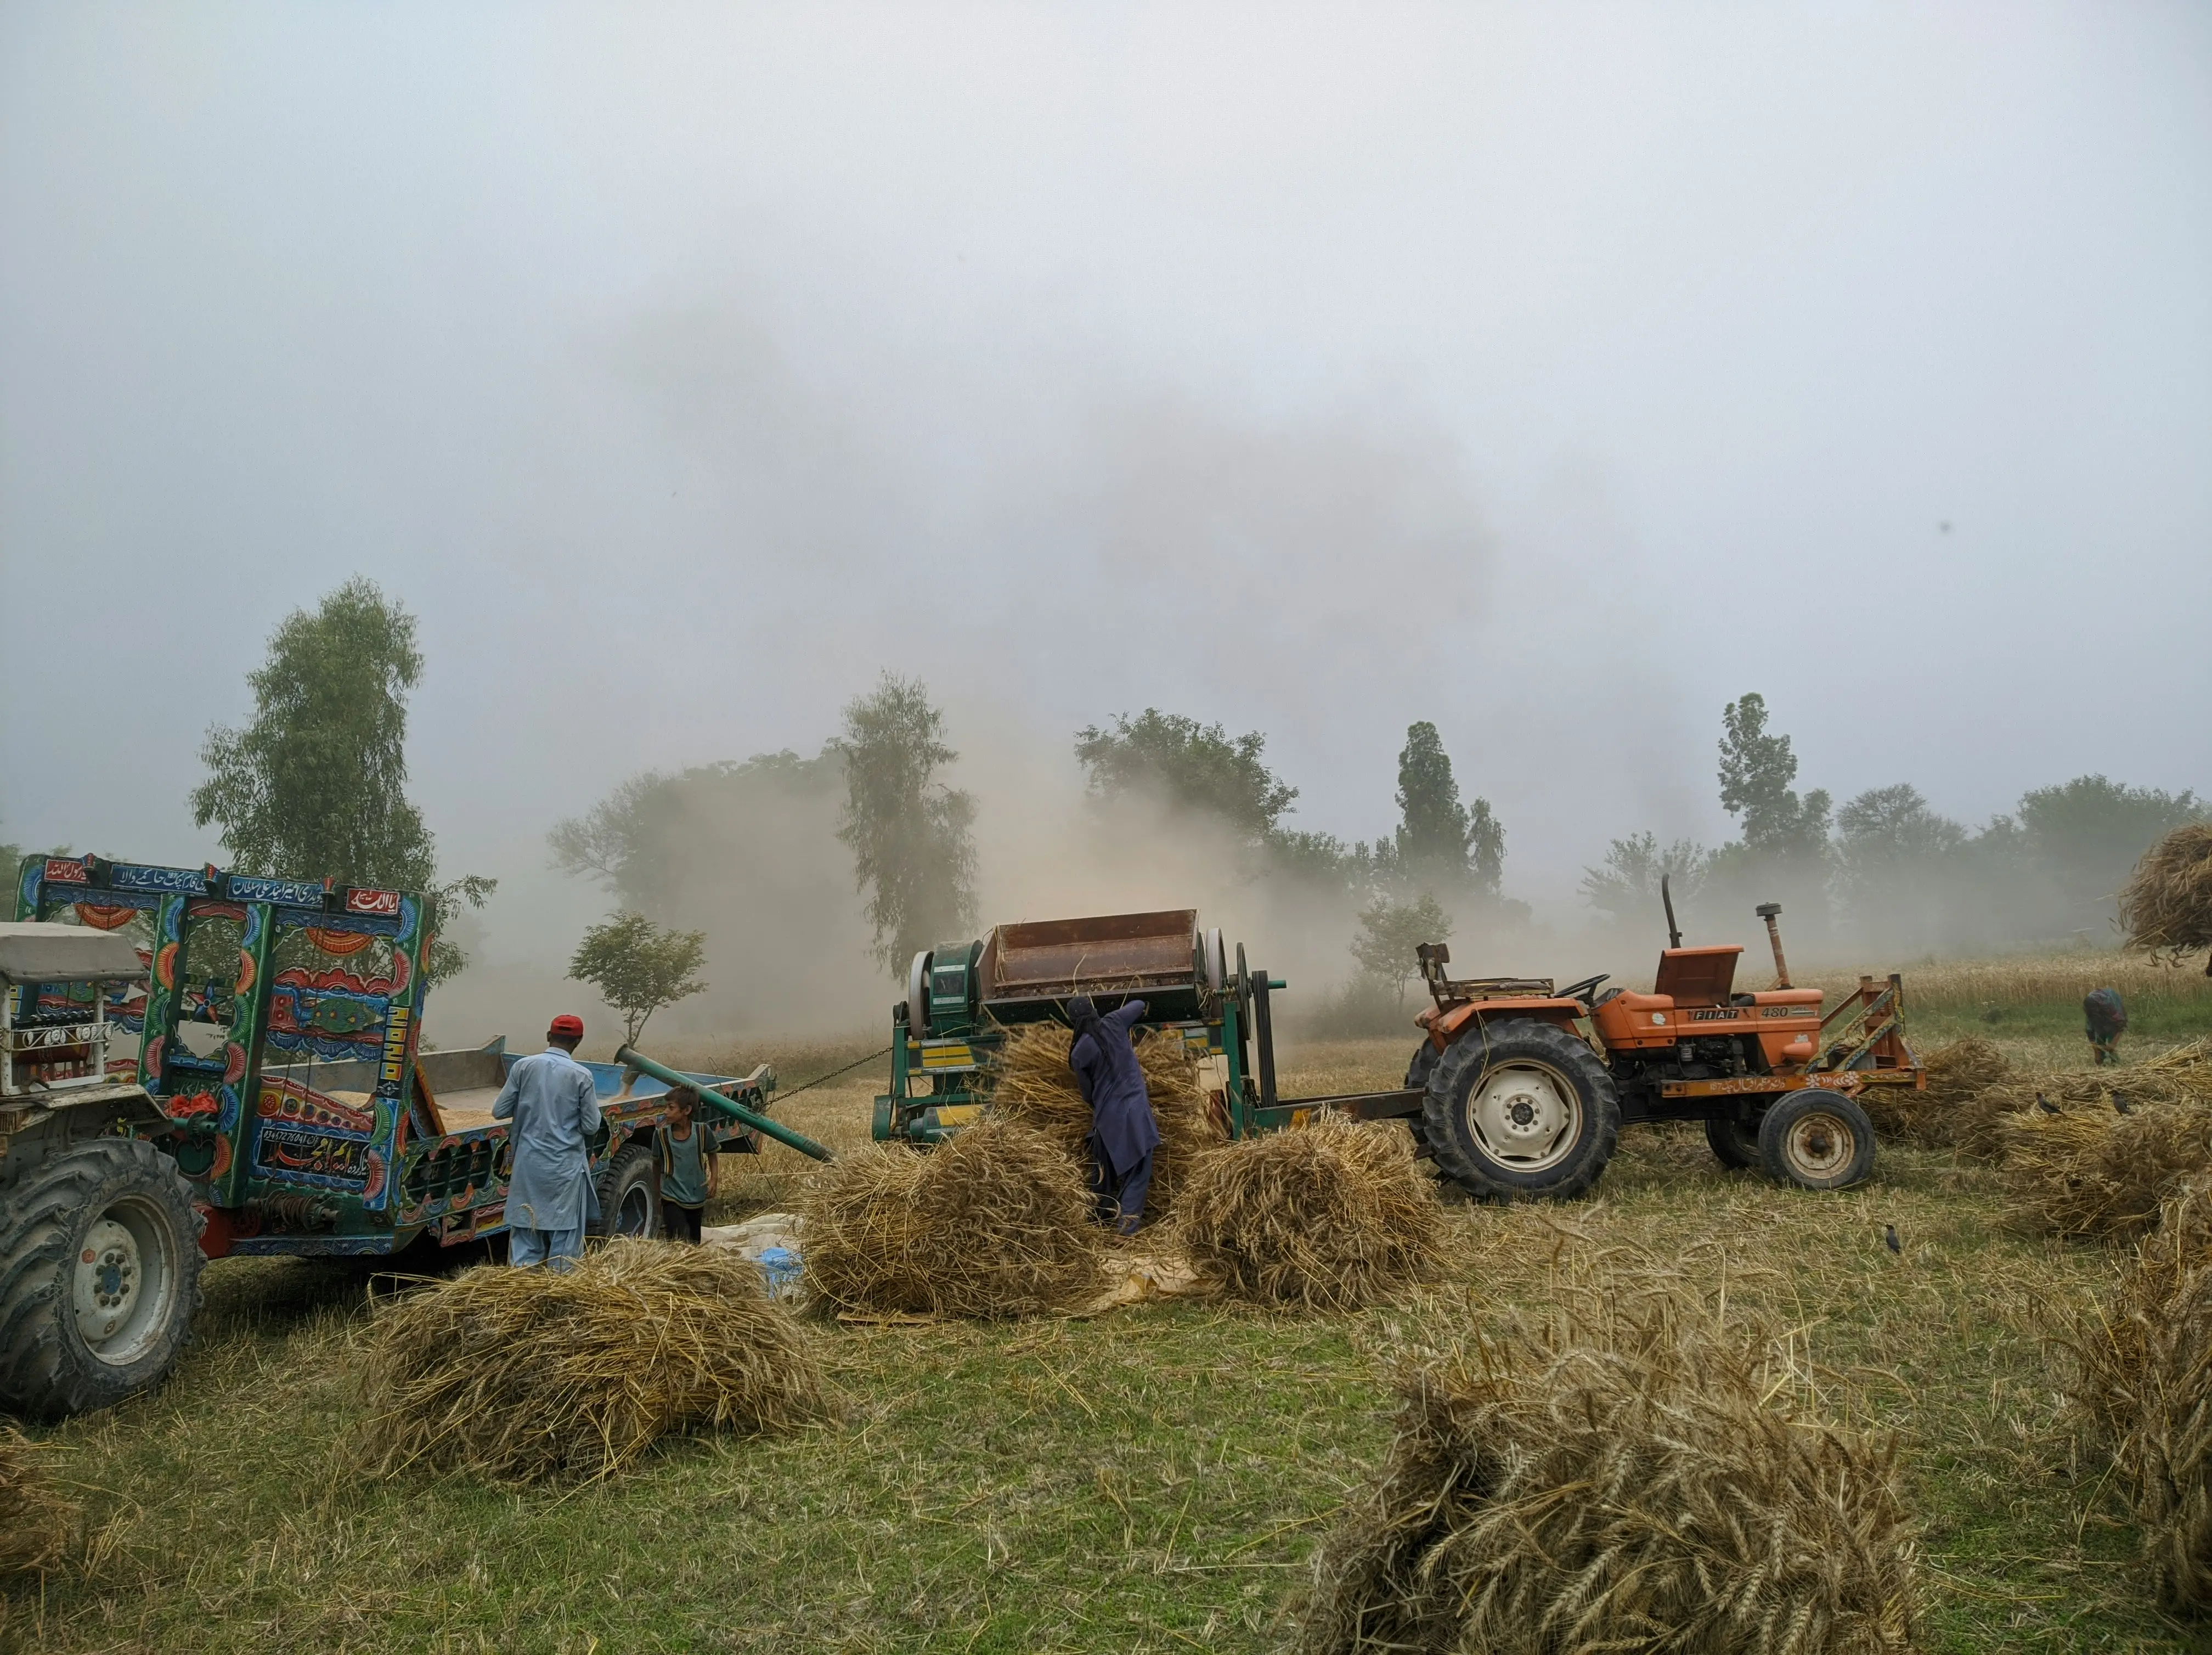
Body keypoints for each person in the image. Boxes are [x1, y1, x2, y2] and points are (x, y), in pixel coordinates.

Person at [493, 1013, 603, 1268]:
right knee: (564, 1240)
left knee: (526, 1229)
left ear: (548, 1036)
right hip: (564, 1169)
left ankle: (520, 1292)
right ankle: (559, 1299)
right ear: (578, 1041)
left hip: (528, 1165)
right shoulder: (582, 1076)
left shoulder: (523, 1066)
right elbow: (591, 1125)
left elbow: (499, 1111)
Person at [1066, 994, 1160, 1235]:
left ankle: (1095, 1226)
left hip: (1106, 1120)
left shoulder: (1078, 1052)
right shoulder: (1114, 1022)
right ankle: (1125, 1232)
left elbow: (1087, 1095)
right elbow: (1140, 1003)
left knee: (1102, 1172)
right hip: (1134, 1114)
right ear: (1094, 1011)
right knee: (1137, 1171)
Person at [653, 1084, 718, 1244]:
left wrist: (713, 1179)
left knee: (694, 1242)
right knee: (679, 1240)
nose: (665, 1112)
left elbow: (712, 1154)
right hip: (671, 1196)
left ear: (686, 1111)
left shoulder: (702, 1132)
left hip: (696, 1196)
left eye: (671, 1108)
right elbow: (656, 1165)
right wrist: (657, 1195)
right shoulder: (661, 1135)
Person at [2085, 987, 2128, 1066]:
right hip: (2097, 1005)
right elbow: (2090, 1031)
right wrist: (2097, 1051)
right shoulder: (2090, 1009)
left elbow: (2121, 1025)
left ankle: (2115, 1061)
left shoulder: (2111, 1006)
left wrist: (2113, 1044)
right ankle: (2101, 1059)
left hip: (2111, 1003)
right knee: (2099, 1033)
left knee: (2112, 1031)